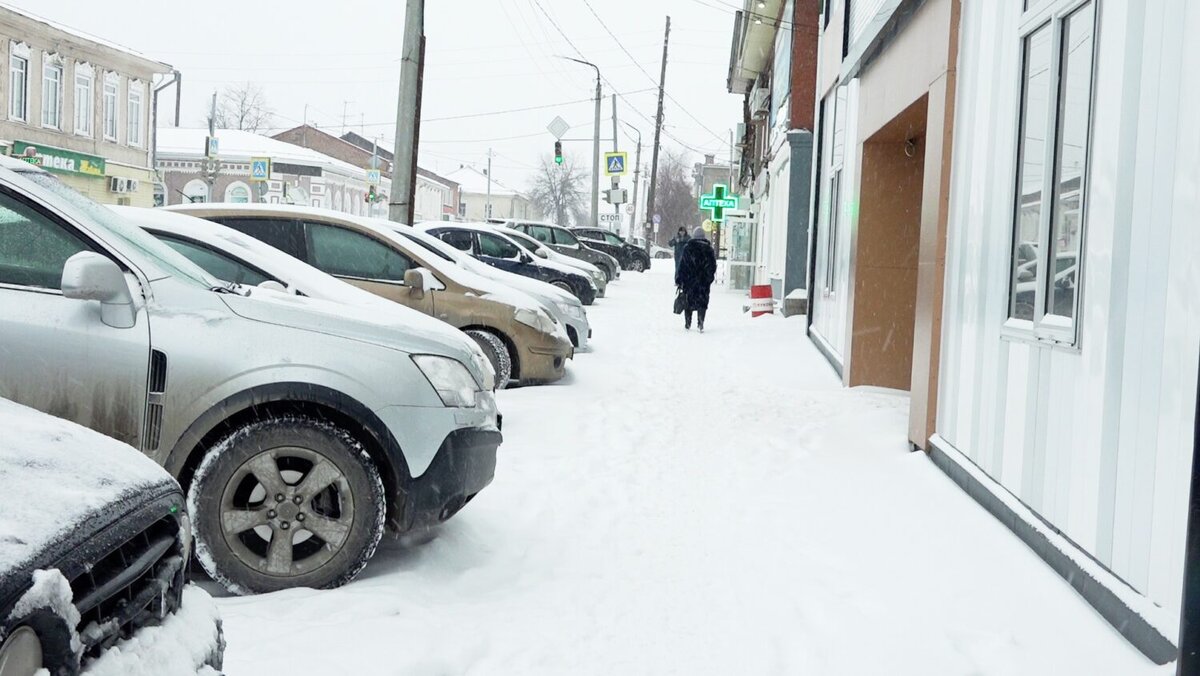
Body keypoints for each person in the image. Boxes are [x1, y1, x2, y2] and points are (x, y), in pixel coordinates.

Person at [675, 226, 717, 332]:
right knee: (702, 302)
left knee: (688, 302)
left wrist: (680, 279)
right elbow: (712, 266)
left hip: (689, 281)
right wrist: (708, 278)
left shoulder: (688, 248)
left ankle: (688, 323)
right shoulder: (708, 249)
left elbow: (682, 265)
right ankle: (701, 322)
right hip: (703, 282)